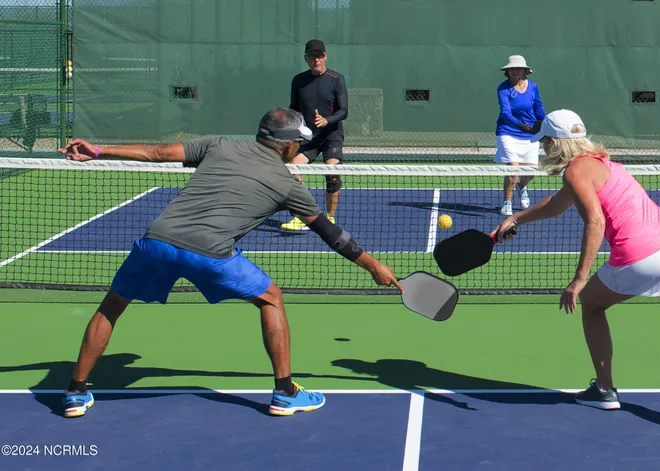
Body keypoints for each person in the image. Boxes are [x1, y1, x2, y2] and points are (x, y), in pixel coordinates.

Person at [58, 108, 402, 419]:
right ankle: (284, 393)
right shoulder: (288, 184)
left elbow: (158, 153)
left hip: (157, 241)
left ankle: (75, 391)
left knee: (112, 305)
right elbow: (331, 234)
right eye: (298, 143)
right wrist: (374, 266)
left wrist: (98, 151)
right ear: (287, 146)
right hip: (210, 253)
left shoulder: (218, 144)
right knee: (271, 298)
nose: (299, 148)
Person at [491, 109, 660, 438]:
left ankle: (605, 390)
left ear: (555, 142)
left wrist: (578, 280)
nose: (543, 148)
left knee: (592, 304)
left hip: (640, 254)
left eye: (545, 143)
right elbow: (555, 205)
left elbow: (595, 222)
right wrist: (515, 219)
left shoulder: (576, 172)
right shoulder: (603, 164)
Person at [281, 39, 349, 231]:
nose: (316, 60)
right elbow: (294, 109)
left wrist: (327, 120)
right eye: (312, 56)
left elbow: (344, 111)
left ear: (325, 57)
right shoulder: (299, 80)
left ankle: (330, 218)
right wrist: (292, 127)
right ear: (306, 58)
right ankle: (304, 216)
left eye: (319, 56)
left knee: (332, 174)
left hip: (331, 135)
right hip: (309, 137)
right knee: (292, 170)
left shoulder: (336, 79)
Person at [494, 55, 546, 216]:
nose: (514, 71)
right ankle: (507, 203)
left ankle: (522, 187)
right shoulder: (503, 89)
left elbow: (538, 108)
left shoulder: (533, 87)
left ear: (524, 71)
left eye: (517, 68)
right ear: (507, 71)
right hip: (508, 131)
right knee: (514, 168)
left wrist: (545, 125)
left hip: (529, 134)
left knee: (530, 171)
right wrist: (520, 125)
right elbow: (505, 112)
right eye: (511, 69)